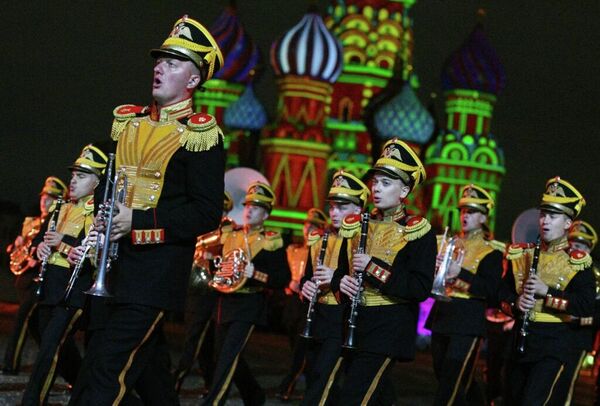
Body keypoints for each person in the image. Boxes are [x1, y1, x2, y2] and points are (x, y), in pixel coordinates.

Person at [71, 15, 225, 405]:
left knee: (106, 369)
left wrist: (136, 223)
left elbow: (206, 212)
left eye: (173, 63)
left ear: (193, 81)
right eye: (160, 60)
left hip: (154, 275)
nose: (159, 67)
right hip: (113, 268)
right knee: (145, 376)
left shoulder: (201, 134)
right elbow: (109, 186)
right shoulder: (128, 122)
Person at [333, 138, 437, 405]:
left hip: (389, 328)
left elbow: (419, 287)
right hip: (354, 324)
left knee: (353, 397)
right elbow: (341, 271)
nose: (376, 188)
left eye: (386, 183)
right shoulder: (357, 225)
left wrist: (371, 268)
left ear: (404, 190)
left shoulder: (418, 231)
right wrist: (340, 283)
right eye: (375, 181)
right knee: (376, 396)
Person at [22, 145, 108, 405]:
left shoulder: (97, 211)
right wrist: (39, 247)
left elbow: (90, 250)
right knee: (45, 338)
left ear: (97, 182)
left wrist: (61, 242)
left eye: (82, 176)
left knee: (49, 350)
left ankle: (32, 400)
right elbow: (38, 239)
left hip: (72, 291)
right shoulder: (62, 207)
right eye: (74, 175)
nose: (73, 180)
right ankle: (81, 385)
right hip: (50, 287)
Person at [500, 176, 594, 405]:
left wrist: (548, 292)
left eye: (553, 216)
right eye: (543, 214)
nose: (545, 221)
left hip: (553, 345)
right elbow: (501, 294)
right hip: (519, 343)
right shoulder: (522, 254)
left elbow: (585, 305)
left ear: (567, 224)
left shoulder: (578, 263)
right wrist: (515, 304)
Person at [203, 182, 290, 405]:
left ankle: (213, 401)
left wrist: (257, 273)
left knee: (227, 358)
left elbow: (282, 279)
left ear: (266, 214)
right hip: (224, 301)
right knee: (223, 355)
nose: (250, 210)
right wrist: (214, 263)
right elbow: (218, 268)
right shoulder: (229, 235)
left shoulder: (271, 241)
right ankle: (254, 395)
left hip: (249, 303)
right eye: (248, 206)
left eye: (257, 207)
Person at [426, 184, 505, 405]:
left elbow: (491, 291)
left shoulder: (491, 251)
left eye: (471, 212)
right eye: (463, 211)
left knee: (451, 381)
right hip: (442, 314)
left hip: (467, 319)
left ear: (483, 217)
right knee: (446, 375)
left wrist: (460, 274)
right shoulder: (447, 243)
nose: (465, 216)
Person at [300, 171, 369, 405]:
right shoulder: (319, 239)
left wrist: (336, 278)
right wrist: (305, 287)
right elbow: (306, 277)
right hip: (319, 315)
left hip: (342, 318)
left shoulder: (363, 241)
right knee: (313, 376)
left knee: (323, 380)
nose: (334, 212)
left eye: (342, 206)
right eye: (332, 207)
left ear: (358, 209)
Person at [2, 177, 67, 375]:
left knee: (25, 320)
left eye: (51, 198)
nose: (44, 202)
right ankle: (62, 366)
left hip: (40, 278)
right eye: (43, 198)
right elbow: (21, 249)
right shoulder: (31, 222)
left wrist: (36, 256)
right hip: (25, 278)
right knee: (37, 326)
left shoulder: (59, 222)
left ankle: (10, 364)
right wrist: (17, 244)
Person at [173, 192, 234, 395]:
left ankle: (176, 381)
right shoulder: (202, 226)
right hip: (193, 288)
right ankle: (211, 381)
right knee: (203, 342)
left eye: (222, 209)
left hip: (209, 291)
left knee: (194, 338)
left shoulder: (228, 231)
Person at [276, 207, 328, 401]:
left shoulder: (321, 250)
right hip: (292, 301)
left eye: (314, 226)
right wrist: (289, 283)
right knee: (297, 346)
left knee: (302, 346)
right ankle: (311, 386)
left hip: (310, 302)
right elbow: (283, 272)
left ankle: (288, 384)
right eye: (307, 225)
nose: (308, 229)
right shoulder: (293, 249)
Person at [548, 220, 599, 404]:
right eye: (571, 244)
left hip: (577, 340)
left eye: (579, 245)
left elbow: (598, 317)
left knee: (563, 387)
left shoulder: (596, 279)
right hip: (554, 332)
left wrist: (579, 320)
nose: (573, 249)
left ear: (589, 249)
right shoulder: (557, 270)